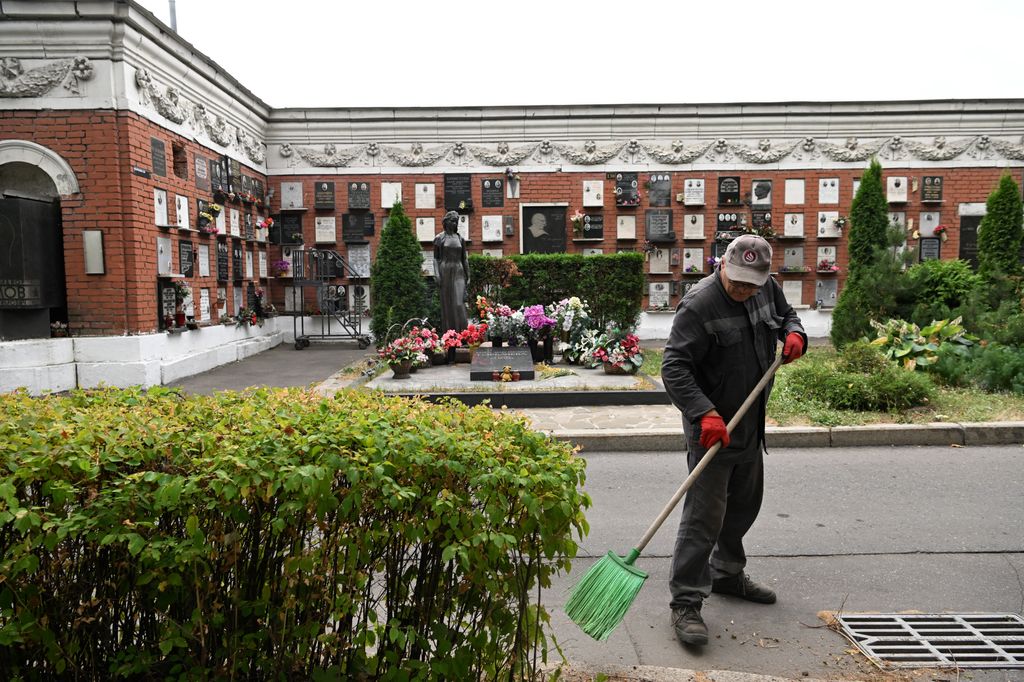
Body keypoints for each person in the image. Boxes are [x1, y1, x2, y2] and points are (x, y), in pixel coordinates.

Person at [660, 234, 807, 647]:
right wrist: (703, 413)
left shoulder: (766, 288)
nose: (743, 289)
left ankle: (726, 573)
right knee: (703, 519)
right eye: (737, 281)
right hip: (712, 427)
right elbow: (674, 367)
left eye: (751, 284)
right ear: (722, 265)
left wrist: (794, 332)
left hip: (750, 420)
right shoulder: (699, 304)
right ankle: (686, 601)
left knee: (744, 504)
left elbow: (787, 314)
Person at [434, 210, 470, 335]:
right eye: (453, 221)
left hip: (458, 270)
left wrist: (468, 275)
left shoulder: (460, 238)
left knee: (459, 303)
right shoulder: (439, 238)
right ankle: (450, 335)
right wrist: (437, 274)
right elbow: (436, 258)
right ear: (446, 221)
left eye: (456, 222)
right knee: (448, 304)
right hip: (445, 271)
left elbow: (464, 259)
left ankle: (464, 334)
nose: (455, 224)